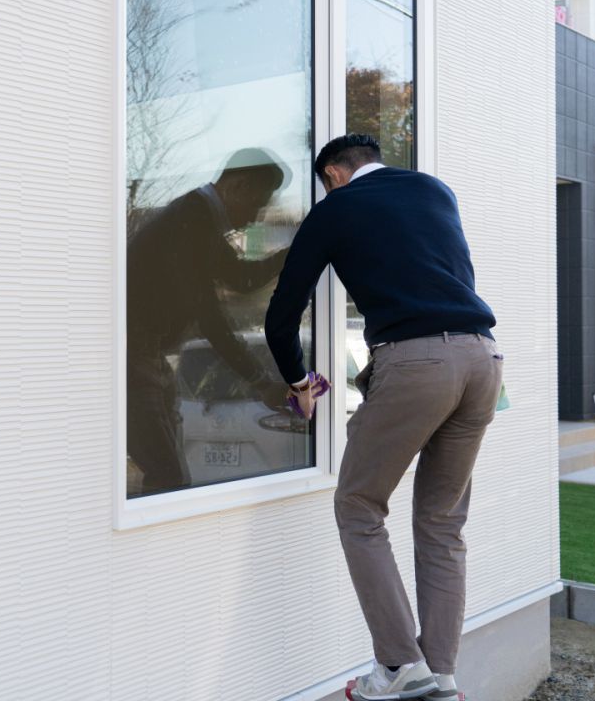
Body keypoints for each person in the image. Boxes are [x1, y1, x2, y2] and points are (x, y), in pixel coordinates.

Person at [264, 134, 502, 701]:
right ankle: (439, 674)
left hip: (417, 361)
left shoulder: (338, 206)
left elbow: (282, 313)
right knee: (443, 525)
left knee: (358, 505)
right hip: (484, 358)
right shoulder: (434, 191)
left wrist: (300, 382)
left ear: (333, 174)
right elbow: (446, 275)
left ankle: (399, 665)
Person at [127, 148, 292, 495]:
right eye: (257, 204)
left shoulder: (197, 218)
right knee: (167, 477)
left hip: (147, 352)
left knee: (170, 475)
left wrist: (297, 251)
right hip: (132, 353)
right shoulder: (192, 220)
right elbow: (209, 314)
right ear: (237, 185)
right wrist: (260, 380)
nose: (257, 218)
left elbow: (242, 279)